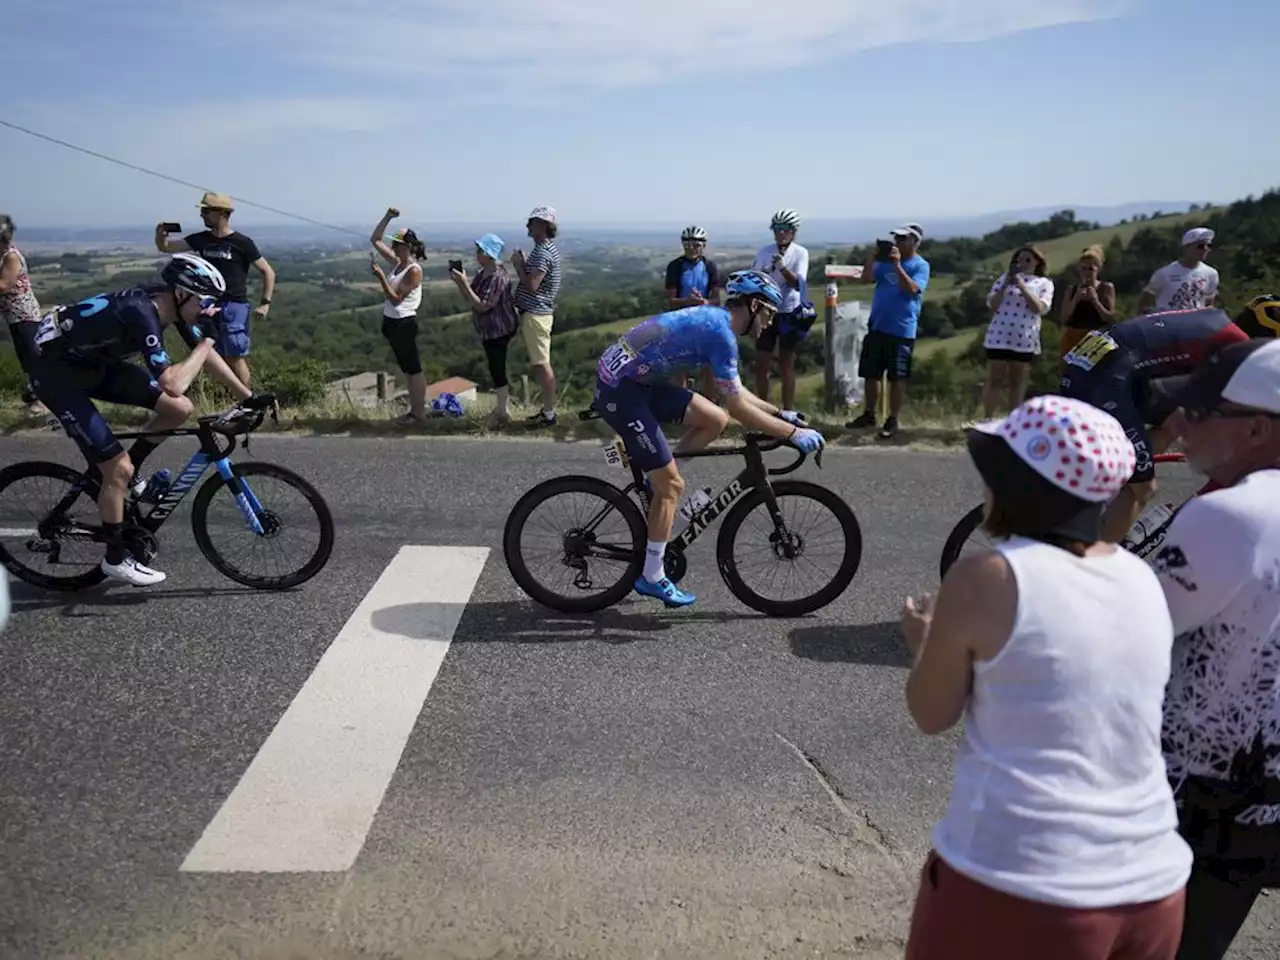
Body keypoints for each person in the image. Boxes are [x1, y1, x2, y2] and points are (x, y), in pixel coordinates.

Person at [901, 394, 1192, 960]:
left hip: (1025, 884)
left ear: (1013, 485)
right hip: (1154, 881)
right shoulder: (1139, 577)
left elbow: (931, 713)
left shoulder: (985, 578)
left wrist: (923, 643)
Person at [1142, 336, 1280, 960]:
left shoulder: (1229, 515)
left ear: (1255, 428)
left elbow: (1121, 634)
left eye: (1197, 410)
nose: (1175, 423)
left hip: (1194, 799)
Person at [594, 270, 825, 608]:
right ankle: (652, 575)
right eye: (770, 313)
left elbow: (735, 396)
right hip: (621, 391)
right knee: (672, 487)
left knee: (715, 419)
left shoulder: (719, 323)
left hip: (637, 382)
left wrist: (779, 414)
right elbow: (741, 409)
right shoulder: (720, 333)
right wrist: (793, 433)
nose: (770, 323)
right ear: (755, 305)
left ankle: (656, 476)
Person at [26, 254, 254, 586]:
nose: (209, 309)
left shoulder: (168, 302)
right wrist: (205, 345)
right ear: (182, 293)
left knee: (178, 409)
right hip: (58, 375)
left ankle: (128, 481)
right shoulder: (143, 312)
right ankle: (116, 558)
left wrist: (247, 396)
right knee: (118, 468)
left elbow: (204, 356)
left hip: (95, 364)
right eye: (205, 300)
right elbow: (174, 380)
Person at [1057, 299, 1278, 544]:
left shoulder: (1216, 320)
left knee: (1173, 420)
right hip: (1108, 375)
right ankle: (1093, 562)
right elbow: (1226, 410)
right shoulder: (1236, 345)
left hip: (1088, 359)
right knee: (1142, 489)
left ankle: (1119, 485)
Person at [155, 192, 276, 389]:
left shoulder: (242, 242)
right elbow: (166, 247)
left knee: (234, 356)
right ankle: (231, 398)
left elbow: (267, 272)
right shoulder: (200, 239)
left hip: (233, 305)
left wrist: (265, 303)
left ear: (221, 213)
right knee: (212, 355)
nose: (202, 215)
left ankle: (249, 401)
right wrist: (160, 236)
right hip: (206, 304)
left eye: (206, 211)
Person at [846, 224, 931, 438]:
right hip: (877, 326)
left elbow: (912, 289)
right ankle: (869, 414)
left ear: (915, 242)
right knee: (871, 374)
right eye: (896, 239)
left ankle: (893, 419)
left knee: (897, 377)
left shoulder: (920, 265)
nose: (898, 242)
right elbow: (866, 278)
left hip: (902, 329)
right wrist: (873, 257)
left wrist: (897, 265)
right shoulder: (884, 263)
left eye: (903, 239)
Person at [449, 232, 521, 425]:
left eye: (480, 250)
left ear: (489, 254)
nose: (477, 254)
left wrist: (463, 283)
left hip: (499, 329)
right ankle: (501, 410)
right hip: (490, 329)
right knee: (495, 367)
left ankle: (503, 413)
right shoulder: (484, 274)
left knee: (497, 368)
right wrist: (461, 284)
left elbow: (482, 305)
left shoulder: (496, 277)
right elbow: (470, 298)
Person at [981, 245, 1054, 417]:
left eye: (1027, 260)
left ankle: (1013, 420)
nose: (1023, 264)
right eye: (1019, 260)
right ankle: (987, 418)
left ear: (1037, 262)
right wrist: (1006, 284)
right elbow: (992, 305)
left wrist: (1023, 286)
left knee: (1017, 381)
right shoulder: (1003, 279)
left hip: (1024, 338)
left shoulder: (1044, 283)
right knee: (994, 379)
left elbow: (1039, 308)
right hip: (998, 336)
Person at [370, 208, 428, 424]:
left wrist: (381, 278)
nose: (394, 247)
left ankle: (418, 413)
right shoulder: (397, 263)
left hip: (404, 323)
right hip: (394, 323)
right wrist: (387, 217)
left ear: (407, 246)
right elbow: (375, 239)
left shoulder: (414, 270)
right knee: (408, 368)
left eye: (397, 244)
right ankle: (415, 412)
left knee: (413, 369)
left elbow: (396, 298)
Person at [750, 210, 811, 410]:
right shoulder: (764, 251)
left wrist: (784, 268)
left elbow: (798, 283)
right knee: (761, 363)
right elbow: (754, 278)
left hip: (789, 310)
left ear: (793, 232)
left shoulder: (800, 253)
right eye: (777, 229)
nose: (781, 233)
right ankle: (763, 408)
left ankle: (788, 410)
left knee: (786, 363)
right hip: (766, 311)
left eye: (785, 230)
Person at [512, 205, 563, 428]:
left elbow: (532, 285)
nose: (528, 226)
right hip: (538, 314)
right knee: (541, 364)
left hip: (536, 314)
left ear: (544, 226)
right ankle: (547, 410)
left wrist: (518, 266)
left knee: (542, 365)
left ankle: (549, 413)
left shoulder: (542, 252)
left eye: (533, 222)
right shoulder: (546, 249)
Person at [0, 214, 45, 413]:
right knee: (27, 356)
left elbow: (4, 285)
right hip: (14, 315)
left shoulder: (11, 256)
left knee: (32, 355)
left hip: (24, 314)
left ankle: (43, 400)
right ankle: (36, 396)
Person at [1058, 245, 1116, 370]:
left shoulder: (1106, 288)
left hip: (1096, 337)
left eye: (1090, 269)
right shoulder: (1072, 290)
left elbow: (1110, 318)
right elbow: (1064, 318)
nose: (1086, 273)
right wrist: (1076, 299)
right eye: (1083, 269)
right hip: (1073, 337)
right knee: (1069, 373)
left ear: (1098, 269)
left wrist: (1095, 301)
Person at [1138, 227, 1220, 314]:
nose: (1205, 249)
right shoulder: (1164, 274)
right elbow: (1144, 304)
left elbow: (1208, 305)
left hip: (1196, 324)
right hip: (1169, 324)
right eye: (1200, 246)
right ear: (1186, 248)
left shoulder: (1211, 274)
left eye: (1209, 246)